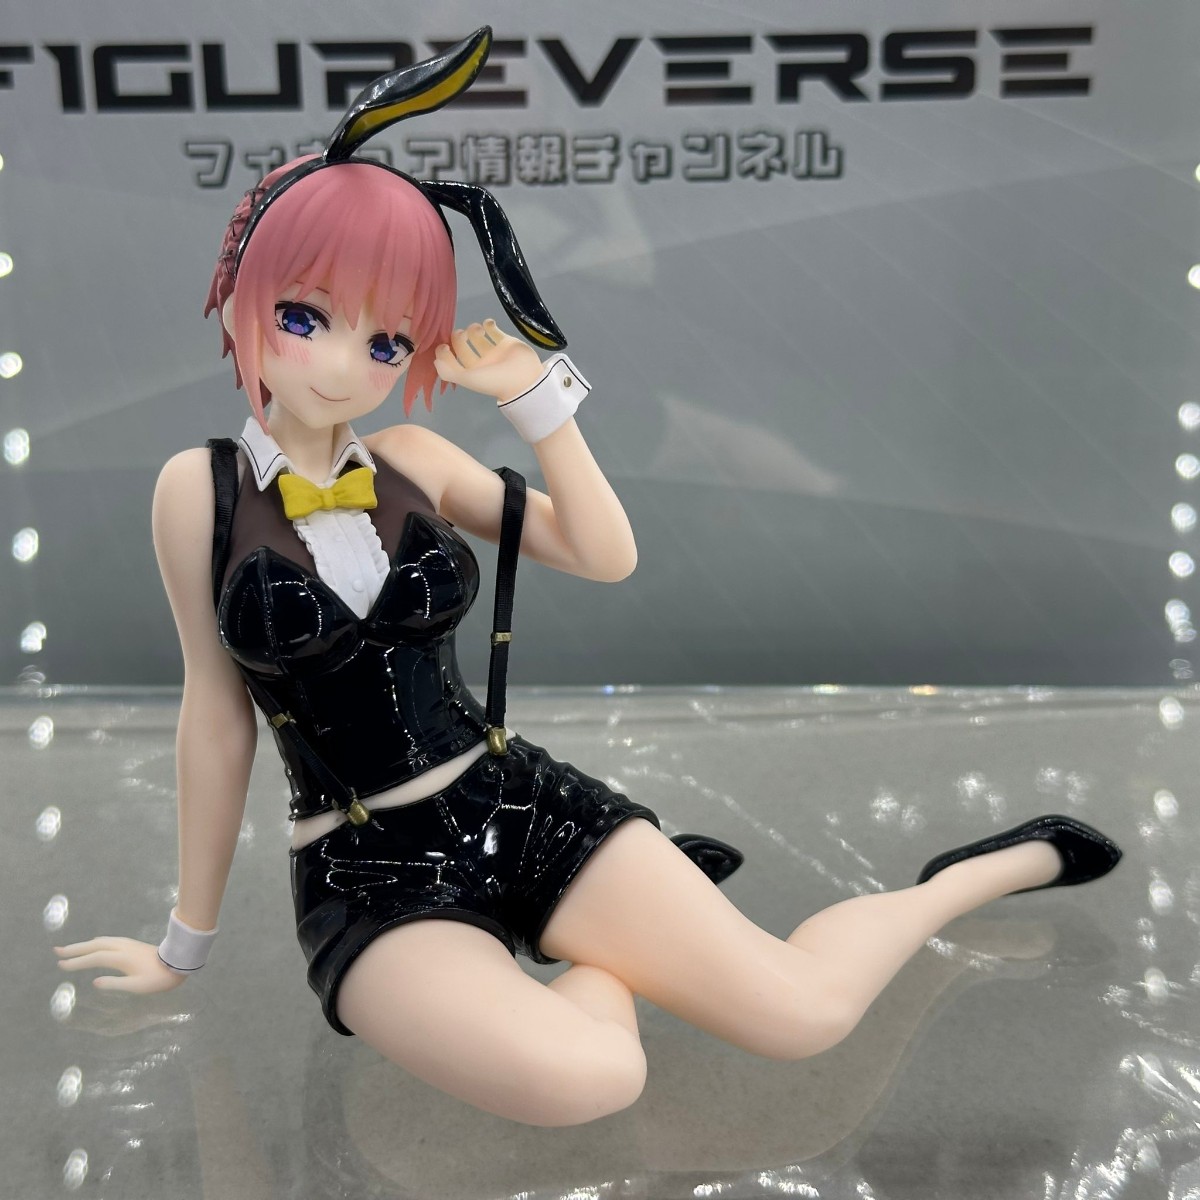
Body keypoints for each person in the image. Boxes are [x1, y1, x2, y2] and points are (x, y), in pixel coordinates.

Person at [54, 28, 1122, 1128]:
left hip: (517, 801)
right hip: (367, 868)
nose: (340, 365)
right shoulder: (201, 490)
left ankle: (971, 876)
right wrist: (183, 945)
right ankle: (607, 949)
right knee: (593, 1080)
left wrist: (538, 404)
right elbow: (214, 713)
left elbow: (606, 554)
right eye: (303, 318)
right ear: (245, 297)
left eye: (384, 343)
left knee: (804, 1017)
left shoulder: (415, 458)